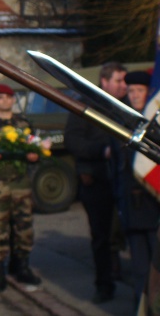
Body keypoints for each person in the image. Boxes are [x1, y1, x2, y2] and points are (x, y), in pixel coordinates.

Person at [64, 61, 127, 303]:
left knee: (125, 232)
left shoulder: (128, 106)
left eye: (125, 81)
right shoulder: (86, 106)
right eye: (119, 81)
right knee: (101, 236)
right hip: (97, 178)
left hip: (124, 180)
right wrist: (102, 151)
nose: (124, 86)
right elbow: (74, 140)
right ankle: (104, 284)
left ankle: (123, 273)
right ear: (105, 82)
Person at [0, 84, 41, 292]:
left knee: (23, 227)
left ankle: (21, 267)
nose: (3, 101)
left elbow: (35, 148)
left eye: (7, 98)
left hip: (20, 183)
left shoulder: (22, 123)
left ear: (12, 100)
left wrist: (35, 155)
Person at [112, 70, 160, 308]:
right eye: (131, 91)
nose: (135, 95)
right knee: (139, 268)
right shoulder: (122, 124)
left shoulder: (156, 126)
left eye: (140, 90)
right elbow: (117, 170)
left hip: (154, 206)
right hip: (131, 208)